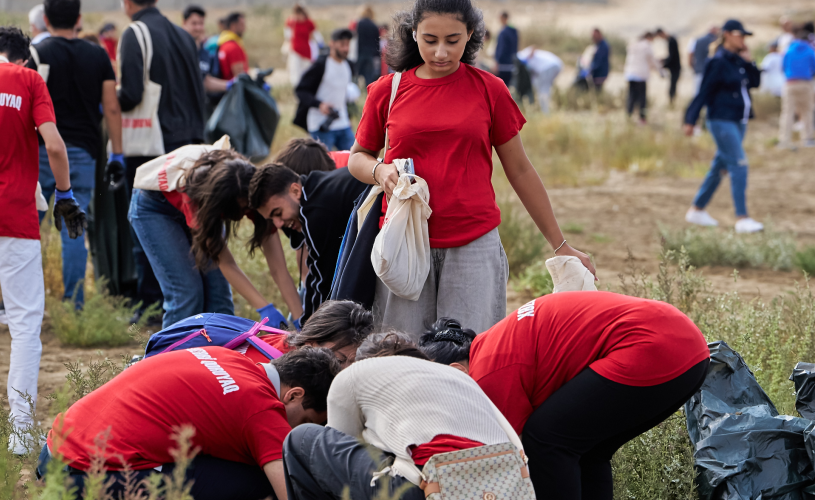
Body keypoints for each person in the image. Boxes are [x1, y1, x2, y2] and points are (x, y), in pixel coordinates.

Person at [348, 0, 594, 335]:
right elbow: (357, 157)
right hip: (405, 241)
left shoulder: (489, 89)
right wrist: (380, 171)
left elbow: (520, 170)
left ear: (471, 35)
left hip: (474, 248)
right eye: (430, 40)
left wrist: (560, 244)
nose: (440, 53)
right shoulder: (387, 91)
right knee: (404, 355)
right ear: (414, 33)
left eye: (453, 40)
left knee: (469, 358)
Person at [420, 291, 711, 500]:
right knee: (587, 450)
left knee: (545, 441)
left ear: (457, 371)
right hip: (689, 349)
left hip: (654, 349)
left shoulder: (488, 372)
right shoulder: (495, 342)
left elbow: (505, 459)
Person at [0, 26, 86, 450]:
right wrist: (65, 194)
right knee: (25, 324)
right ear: (22, 59)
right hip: (15, 217)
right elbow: (53, 145)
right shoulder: (30, 81)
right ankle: (19, 431)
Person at [37, 347, 340, 500]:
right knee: (260, 484)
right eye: (306, 423)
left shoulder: (230, 357)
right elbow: (289, 491)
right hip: (83, 477)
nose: (297, 433)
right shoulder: (262, 410)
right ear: (295, 395)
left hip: (56, 450)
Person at [283, 337, 518, 499]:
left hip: (427, 489)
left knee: (301, 439)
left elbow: (339, 451)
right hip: (506, 489)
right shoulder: (460, 377)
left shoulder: (354, 375)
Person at [23, 0, 123, 308]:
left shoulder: (37, 54)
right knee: (75, 228)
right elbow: (112, 107)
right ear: (79, 19)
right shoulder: (98, 55)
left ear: (46, 20)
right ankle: (74, 305)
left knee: (27, 228)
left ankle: (24, 301)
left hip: (41, 150)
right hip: (82, 151)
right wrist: (117, 153)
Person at [130, 149, 296, 328]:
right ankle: (169, 352)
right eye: (240, 209)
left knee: (219, 296)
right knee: (187, 291)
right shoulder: (206, 200)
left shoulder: (253, 190)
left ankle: (219, 354)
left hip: (202, 205)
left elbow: (279, 268)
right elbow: (226, 263)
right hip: (155, 208)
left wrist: (299, 317)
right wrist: (264, 308)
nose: (245, 214)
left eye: (249, 207)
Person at [118, 0, 205, 319]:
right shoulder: (183, 35)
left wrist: (106, 99)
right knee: (187, 225)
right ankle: (190, 299)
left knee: (147, 222)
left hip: (151, 145)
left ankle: (151, 301)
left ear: (127, 3)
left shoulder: (135, 32)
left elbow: (130, 94)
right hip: (188, 144)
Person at [248, 164, 367, 323]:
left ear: (295, 191)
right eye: (271, 219)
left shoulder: (315, 210)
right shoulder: (315, 185)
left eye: (278, 213)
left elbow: (323, 281)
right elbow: (316, 271)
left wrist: (308, 329)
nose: (277, 224)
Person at [684, 20, 762, 233]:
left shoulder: (738, 61)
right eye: (739, 34)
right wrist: (690, 119)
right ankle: (742, 218)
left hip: (739, 120)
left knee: (720, 166)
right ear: (727, 34)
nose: (743, 39)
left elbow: (755, 82)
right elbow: (704, 92)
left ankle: (697, 209)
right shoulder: (717, 61)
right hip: (720, 120)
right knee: (739, 164)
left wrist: (749, 60)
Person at [243, 299, 373, 366]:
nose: (345, 371)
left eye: (354, 364)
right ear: (310, 342)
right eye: (338, 361)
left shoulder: (287, 341)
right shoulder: (282, 376)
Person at [295, 28, 358, 151]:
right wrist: (319, 105)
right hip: (321, 125)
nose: (346, 48)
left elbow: (343, 94)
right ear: (332, 43)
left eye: (348, 44)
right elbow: (301, 90)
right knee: (323, 166)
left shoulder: (349, 65)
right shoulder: (320, 65)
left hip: (343, 123)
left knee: (354, 161)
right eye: (342, 45)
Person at [181, 5, 232, 101]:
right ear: (184, 23)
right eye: (194, 23)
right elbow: (201, 82)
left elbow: (205, 79)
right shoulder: (178, 49)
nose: (198, 27)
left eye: (201, 23)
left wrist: (232, 84)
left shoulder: (205, 52)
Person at [779, 28, 815, 149]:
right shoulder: (810, 50)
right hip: (805, 83)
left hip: (790, 83)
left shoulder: (789, 50)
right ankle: (807, 139)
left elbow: (783, 66)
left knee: (787, 113)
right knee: (807, 112)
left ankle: (784, 140)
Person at [624, 32, 661, 124]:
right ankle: (642, 119)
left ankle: (628, 116)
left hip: (630, 74)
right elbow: (652, 61)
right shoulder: (646, 46)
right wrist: (661, 71)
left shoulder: (633, 45)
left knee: (631, 96)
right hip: (640, 75)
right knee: (642, 98)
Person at [517, 46, 562, 113]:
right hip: (557, 64)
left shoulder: (521, 55)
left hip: (547, 67)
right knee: (545, 87)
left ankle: (545, 112)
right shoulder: (524, 54)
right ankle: (546, 109)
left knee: (543, 90)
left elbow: (532, 50)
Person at [285, 5, 317, 87]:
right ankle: (296, 87)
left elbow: (314, 35)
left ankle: (306, 86)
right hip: (295, 49)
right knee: (295, 70)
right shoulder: (292, 22)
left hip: (306, 49)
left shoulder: (309, 23)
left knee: (306, 70)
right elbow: (287, 35)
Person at [688, 25, 719, 95]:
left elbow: (690, 58)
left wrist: (695, 68)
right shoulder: (716, 41)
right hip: (711, 74)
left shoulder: (696, 40)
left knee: (698, 96)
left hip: (698, 72)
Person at [217, 12, 248, 81]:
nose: (244, 28)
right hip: (235, 89)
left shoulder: (223, 43)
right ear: (233, 26)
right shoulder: (233, 47)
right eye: (242, 25)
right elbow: (240, 76)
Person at [355, 5, 381, 87]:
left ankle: (354, 93)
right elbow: (377, 42)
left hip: (360, 53)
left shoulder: (359, 24)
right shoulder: (374, 25)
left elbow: (356, 40)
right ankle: (368, 94)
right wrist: (377, 56)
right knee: (369, 77)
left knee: (356, 75)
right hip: (371, 54)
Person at [656, 28, 681, 105]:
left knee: (672, 85)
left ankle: (672, 101)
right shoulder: (671, 40)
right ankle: (671, 101)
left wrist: (664, 64)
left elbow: (673, 56)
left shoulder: (671, 40)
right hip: (674, 67)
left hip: (675, 67)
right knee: (672, 85)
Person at [494, 10, 518, 87]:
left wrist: (497, 62)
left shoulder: (503, 32)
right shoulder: (514, 31)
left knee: (499, 89)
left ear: (502, 18)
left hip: (502, 65)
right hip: (511, 64)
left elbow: (501, 48)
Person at [589, 27, 609, 92]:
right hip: (597, 73)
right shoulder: (598, 45)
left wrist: (591, 68)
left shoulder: (603, 46)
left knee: (597, 91)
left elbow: (599, 61)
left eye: (594, 36)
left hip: (600, 73)